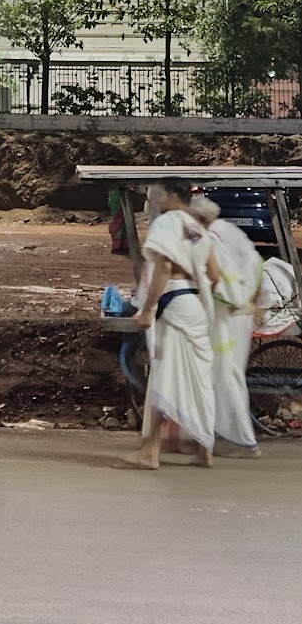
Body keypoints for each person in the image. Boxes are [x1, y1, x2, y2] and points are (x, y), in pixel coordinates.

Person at [126, 178, 219, 470]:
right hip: (195, 306)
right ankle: (205, 450)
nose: (157, 199)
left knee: (166, 377)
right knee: (198, 380)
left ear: (171, 195)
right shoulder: (198, 231)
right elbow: (214, 276)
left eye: (160, 194)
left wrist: (149, 308)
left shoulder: (167, 224)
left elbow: (163, 268)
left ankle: (151, 452)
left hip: (174, 303)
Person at [187, 194, 262, 456]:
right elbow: (257, 266)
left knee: (224, 375)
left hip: (227, 314)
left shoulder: (212, 238)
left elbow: (216, 279)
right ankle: (214, 436)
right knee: (222, 374)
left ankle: (243, 441)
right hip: (238, 312)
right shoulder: (229, 231)